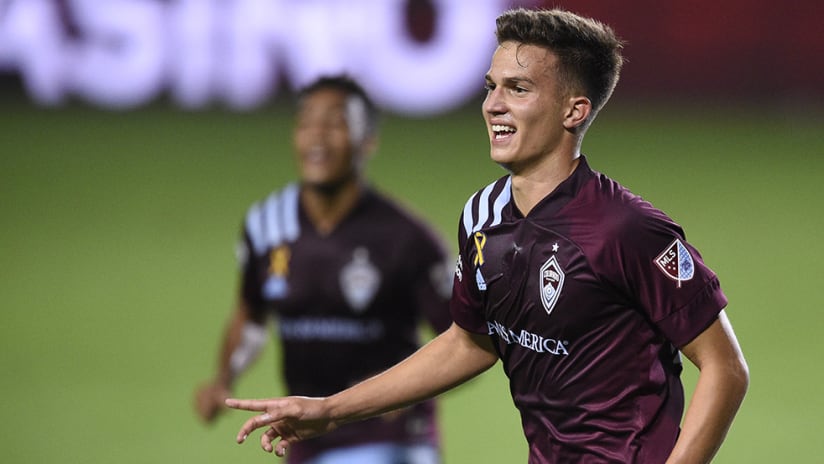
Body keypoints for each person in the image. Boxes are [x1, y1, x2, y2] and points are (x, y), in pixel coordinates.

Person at [225, 8, 750, 463]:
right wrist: (332, 410)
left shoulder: (626, 229)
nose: (493, 105)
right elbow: (469, 341)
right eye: (490, 86)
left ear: (574, 110)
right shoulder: (482, 215)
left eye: (518, 89)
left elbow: (725, 368)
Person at [194, 75, 454, 464]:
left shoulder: (407, 239)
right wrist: (223, 381)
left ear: (368, 141)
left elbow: (462, 339)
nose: (317, 136)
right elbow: (251, 318)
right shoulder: (266, 225)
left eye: (335, 123)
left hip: (388, 438)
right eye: (306, 123)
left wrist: (400, 392)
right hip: (304, 437)